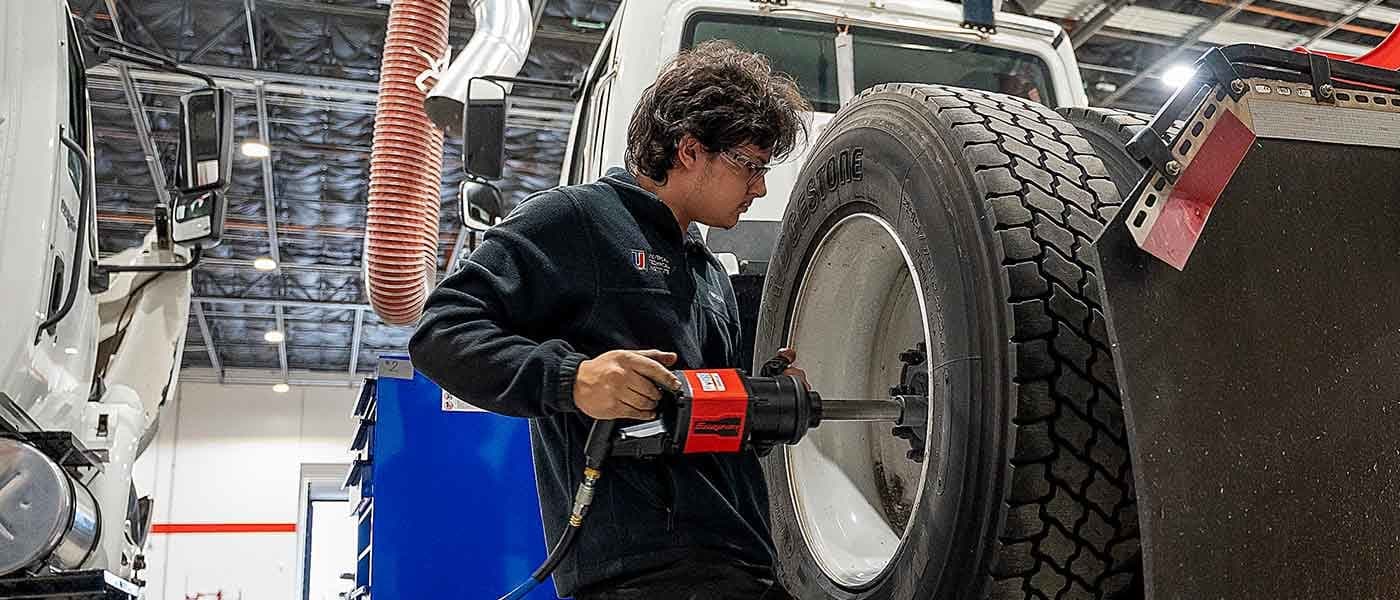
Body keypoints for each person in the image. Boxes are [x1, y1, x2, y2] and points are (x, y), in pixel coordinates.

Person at [408, 40, 811, 599]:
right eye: (749, 166)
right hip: (639, 574)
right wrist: (575, 380)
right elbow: (440, 333)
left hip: (739, 563)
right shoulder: (576, 221)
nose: (760, 188)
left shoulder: (708, 272)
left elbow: (700, 416)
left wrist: (765, 400)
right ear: (690, 149)